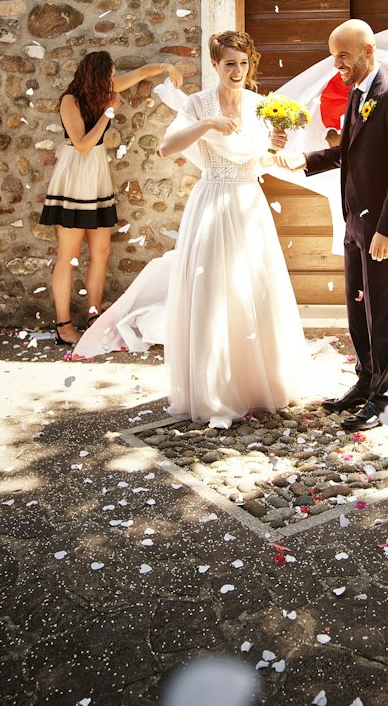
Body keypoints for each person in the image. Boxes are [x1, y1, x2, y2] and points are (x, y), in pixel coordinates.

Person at [73, 31, 307, 428]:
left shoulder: (260, 106)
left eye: (243, 64)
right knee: (214, 292)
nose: (237, 71)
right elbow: (167, 147)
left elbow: (262, 160)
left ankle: (254, 384)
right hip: (212, 202)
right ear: (215, 64)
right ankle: (214, 388)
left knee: (252, 290)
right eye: (229, 63)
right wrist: (208, 123)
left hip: (248, 203)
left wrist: (279, 153)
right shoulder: (198, 103)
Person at [275, 19, 388, 431]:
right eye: (333, 53)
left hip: (382, 226)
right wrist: (305, 160)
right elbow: (351, 150)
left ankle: (385, 397)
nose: (335, 62)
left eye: (342, 54)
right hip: (354, 222)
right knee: (357, 306)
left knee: (381, 308)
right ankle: (365, 382)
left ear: (368, 51)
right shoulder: (357, 94)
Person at [40, 50, 182, 346]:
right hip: (75, 175)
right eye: (110, 76)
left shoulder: (104, 91)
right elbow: (81, 144)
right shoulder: (71, 100)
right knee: (68, 256)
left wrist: (168, 67)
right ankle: (63, 326)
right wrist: (107, 113)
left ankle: (94, 316)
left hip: (96, 176)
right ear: (96, 76)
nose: (114, 81)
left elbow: (142, 72)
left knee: (101, 251)